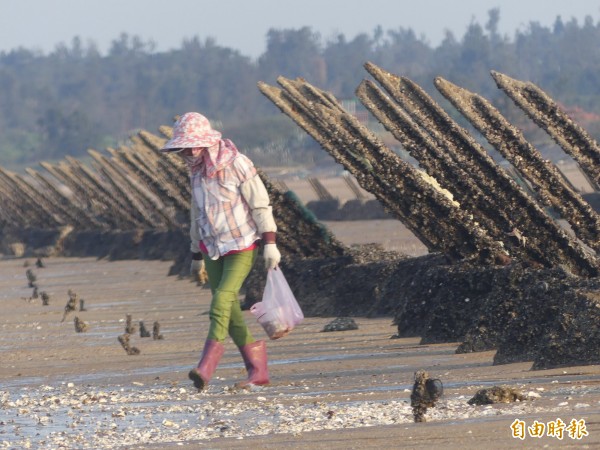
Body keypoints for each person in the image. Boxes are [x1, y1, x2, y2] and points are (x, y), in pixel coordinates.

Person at [160, 112, 281, 390]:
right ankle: (257, 370)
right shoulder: (196, 172)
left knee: (223, 299)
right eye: (184, 147)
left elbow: (260, 204)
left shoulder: (237, 163)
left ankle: (206, 365)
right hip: (211, 247)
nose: (189, 151)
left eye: (194, 145)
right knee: (229, 309)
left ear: (207, 142)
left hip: (242, 243)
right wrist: (195, 255)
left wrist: (270, 243)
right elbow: (196, 215)